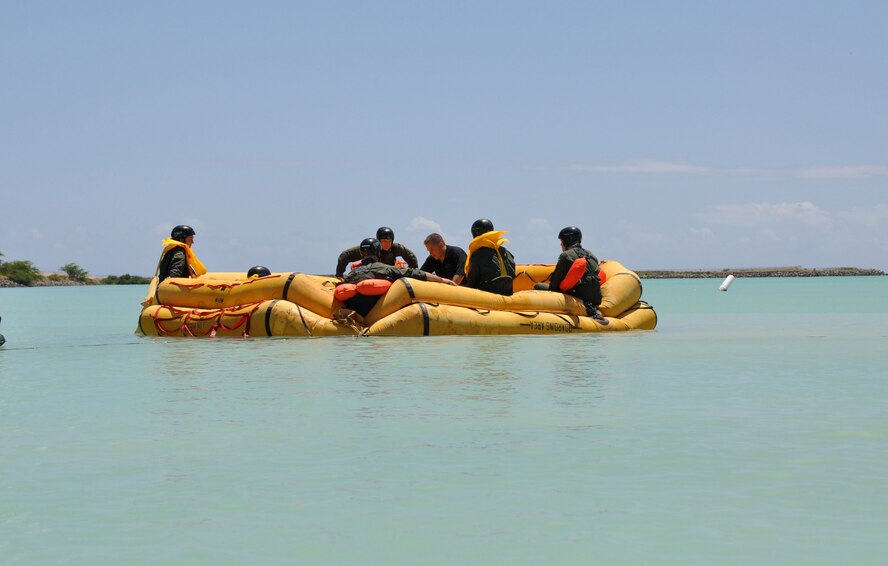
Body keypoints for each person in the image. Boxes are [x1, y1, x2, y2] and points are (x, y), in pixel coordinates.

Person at [339, 238, 455, 316]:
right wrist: (442, 280)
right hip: (380, 314)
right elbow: (417, 274)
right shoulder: (387, 269)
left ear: (361, 254)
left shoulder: (351, 275)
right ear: (378, 253)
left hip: (356, 314)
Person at [533, 226, 606, 321]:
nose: (561, 245)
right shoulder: (592, 256)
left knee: (538, 286)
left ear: (567, 241)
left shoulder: (566, 256)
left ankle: (538, 318)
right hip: (596, 300)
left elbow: (554, 287)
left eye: (561, 242)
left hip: (578, 299)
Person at [335, 226, 418, 278]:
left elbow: (411, 257)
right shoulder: (371, 247)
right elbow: (345, 255)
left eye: (389, 241)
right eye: (384, 241)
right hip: (369, 275)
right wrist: (340, 275)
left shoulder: (397, 248)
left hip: (388, 274)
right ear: (378, 241)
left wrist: (413, 272)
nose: (387, 244)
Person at [462, 218, 515, 296]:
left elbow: (472, 282)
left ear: (475, 233)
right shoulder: (507, 252)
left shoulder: (478, 254)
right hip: (508, 293)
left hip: (489, 295)